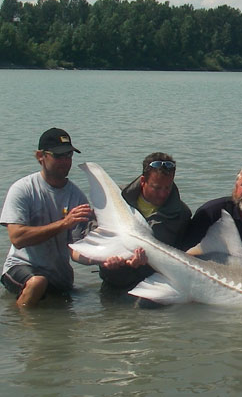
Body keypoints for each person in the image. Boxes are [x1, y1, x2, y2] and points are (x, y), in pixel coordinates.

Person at [0, 128, 140, 307]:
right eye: (58, 156)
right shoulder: (23, 189)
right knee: (37, 283)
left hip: (60, 277)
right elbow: (17, 238)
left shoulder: (76, 197)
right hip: (22, 266)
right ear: (40, 156)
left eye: (68, 155)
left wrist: (107, 260)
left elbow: (75, 251)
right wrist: (63, 223)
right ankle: (23, 330)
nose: (65, 161)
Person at [98, 153, 192, 291]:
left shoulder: (182, 214)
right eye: (157, 187)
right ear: (143, 181)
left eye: (167, 187)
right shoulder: (116, 199)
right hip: (113, 280)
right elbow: (96, 231)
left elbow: (182, 259)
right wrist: (106, 259)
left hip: (151, 286)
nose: (163, 194)